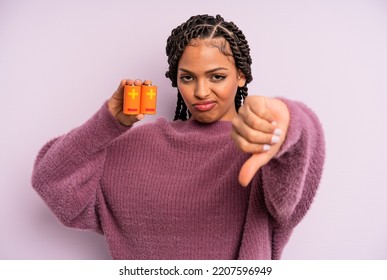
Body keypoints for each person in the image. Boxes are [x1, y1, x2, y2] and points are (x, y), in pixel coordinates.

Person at [31, 14, 325, 260]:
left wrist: (288, 121)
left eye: (217, 76)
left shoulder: (262, 149)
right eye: (188, 77)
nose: (200, 91)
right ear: (176, 79)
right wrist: (107, 122)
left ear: (241, 76)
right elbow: (50, 181)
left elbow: (294, 183)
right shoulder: (137, 147)